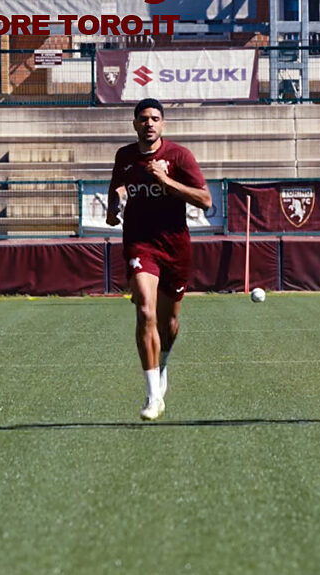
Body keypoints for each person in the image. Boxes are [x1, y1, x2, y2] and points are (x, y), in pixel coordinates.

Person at [106, 98, 211, 421]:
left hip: (175, 247)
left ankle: (162, 361)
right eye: (143, 118)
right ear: (134, 124)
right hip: (140, 245)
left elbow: (205, 200)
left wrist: (166, 181)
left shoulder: (179, 156)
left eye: (155, 118)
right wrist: (115, 205)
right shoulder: (125, 157)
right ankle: (153, 396)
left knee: (168, 323)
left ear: (162, 124)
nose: (149, 123)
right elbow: (116, 192)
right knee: (145, 311)